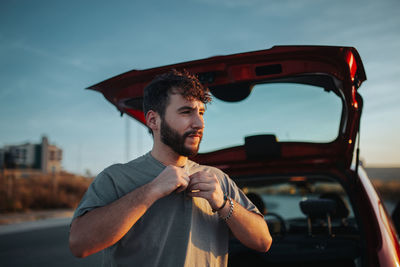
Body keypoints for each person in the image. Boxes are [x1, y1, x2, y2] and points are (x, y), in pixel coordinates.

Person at [69, 69, 272, 266]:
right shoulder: (116, 177)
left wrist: (224, 204)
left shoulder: (217, 178)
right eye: (186, 112)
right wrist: (152, 190)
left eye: (201, 112)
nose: (199, 123)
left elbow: (263, 241)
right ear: (153, 120)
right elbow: (79, 244)